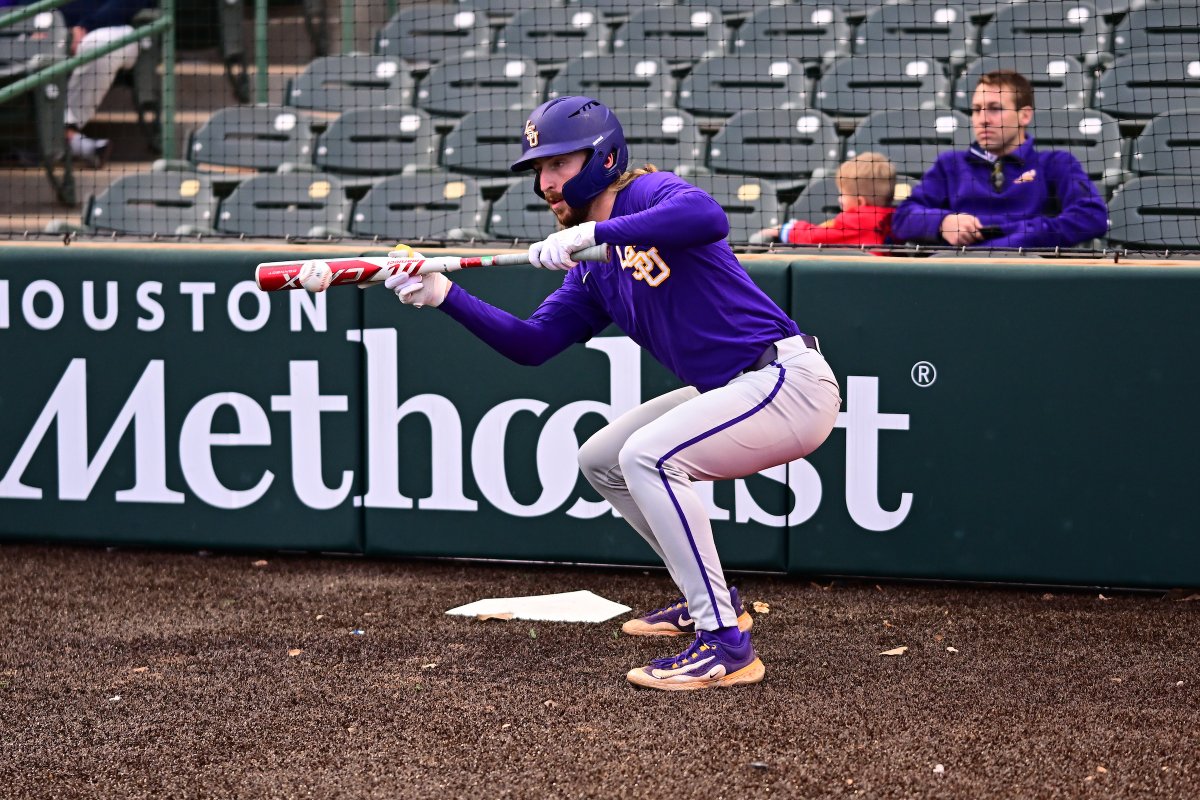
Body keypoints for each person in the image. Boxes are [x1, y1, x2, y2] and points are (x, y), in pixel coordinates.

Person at [383, 96, 843, 692]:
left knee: (646, 457)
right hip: (738, 386)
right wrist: (446, 296)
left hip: (786, 382)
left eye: (559, 164)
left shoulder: (646, 196)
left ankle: (726, 644)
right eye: (539, 169)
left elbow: (708, 218)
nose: (546, 182)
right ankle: (712, 597)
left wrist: (597, 232)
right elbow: (533, 343)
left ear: (602, 157)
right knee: (602, 459)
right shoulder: (593, 264)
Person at [890, 69, 1109, 249]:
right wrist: (943, 223)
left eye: (995, 109)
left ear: (1024, 115)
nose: (982, 120)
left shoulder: (1056, 164)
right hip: (957, 272)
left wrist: (1022, 235)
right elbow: (903, 218)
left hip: (1028, 271)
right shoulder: (950, 165)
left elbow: (1091, 216)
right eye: (976, 110)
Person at [54, 0, 155, 166]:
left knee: (97, 44)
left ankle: (61, 132)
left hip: (115, 27)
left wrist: (87, 26)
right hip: (54, 30)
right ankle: (68, 139)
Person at [759, 152, 896, 248]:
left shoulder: (854, 221)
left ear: (860, 202)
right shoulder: (895, 220)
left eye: (842, 194)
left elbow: (816, 237)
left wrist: (788, 230)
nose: (839, 199)